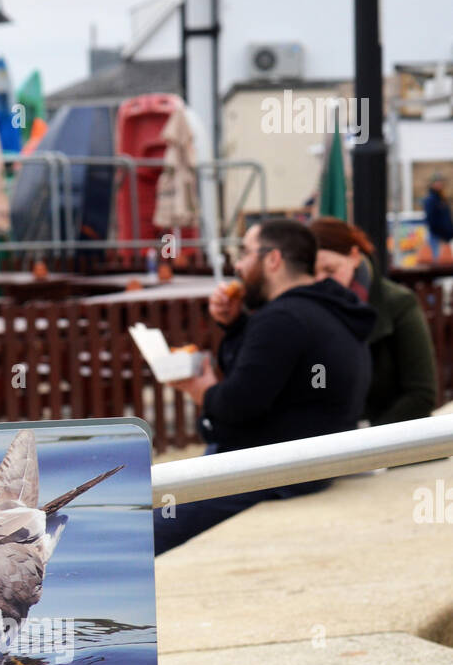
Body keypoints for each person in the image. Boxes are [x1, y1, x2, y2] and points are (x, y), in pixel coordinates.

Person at [155, 218, 375, 553]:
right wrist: (235, 325)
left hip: (274, 472)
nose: (238, 266)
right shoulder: (328, 309)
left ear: (272, 259)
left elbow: (237, 405)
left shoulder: (282, 318)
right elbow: (273, 381)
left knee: (144, 532)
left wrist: (200, 391)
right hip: (309, 464)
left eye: (245, 253)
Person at [311, 216, 437, 425]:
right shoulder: (310, 311)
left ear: (354, 256)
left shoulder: (398, 303)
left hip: (390, 444)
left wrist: (368, 440)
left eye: (330, 270)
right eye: (312, 272)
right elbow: (318, 384)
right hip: (333, 444)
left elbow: (421, 393)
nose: (320, 281)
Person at [421, 174, 453, 261]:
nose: (439, 185)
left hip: (445, 236)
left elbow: (447, 218)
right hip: (437, 236)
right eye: (437, 182)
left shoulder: (442, 198)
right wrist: (442, 234)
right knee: (437, 261)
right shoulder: (431, 200)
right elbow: (431, 220)